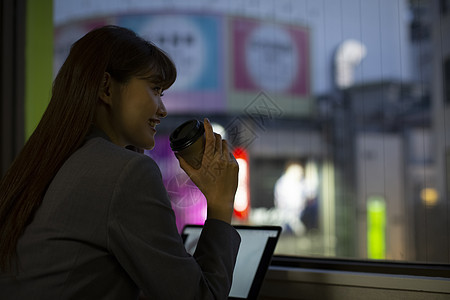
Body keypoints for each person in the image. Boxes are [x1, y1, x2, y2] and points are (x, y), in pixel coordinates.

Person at [0, 25, 240, 299]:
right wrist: (221, 205)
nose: (162, 110)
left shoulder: (49, 160)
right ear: (106, 88)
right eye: (155, 89)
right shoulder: (126, 172)